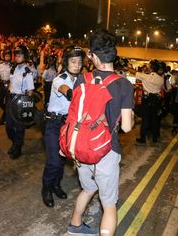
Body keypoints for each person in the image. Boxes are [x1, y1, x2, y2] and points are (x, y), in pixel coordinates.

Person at [66, 29, 134, 236]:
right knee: (109, 203)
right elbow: (127, 128)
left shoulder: (82, 80)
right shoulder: (124, 84)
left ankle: (75, 226)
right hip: (106, 149)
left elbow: (74, 114)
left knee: (88, 188)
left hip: (82, 146)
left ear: (94, 56)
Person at [41, 46, 84, 208]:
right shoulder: (61, 78)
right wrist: (75, 94)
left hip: (69, 125)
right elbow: (64, 89)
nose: (77, 65)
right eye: (73, 61)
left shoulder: (81, 80)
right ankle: (46, 187)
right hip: (54, 123)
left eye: (79, 62)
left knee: (62, 158)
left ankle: (56, 185)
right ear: (66, 62)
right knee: (53, 160)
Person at [5, 45, 34, 159]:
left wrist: (26, 102)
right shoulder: (13, 68)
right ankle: (15, 142)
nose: (17, 57)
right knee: (8, 125)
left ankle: (18, 146)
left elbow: (30, 91)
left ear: (25, 56)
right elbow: (11, 84)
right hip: (11, 98)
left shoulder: (28, 72)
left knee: (19, 126)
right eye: (16, 55)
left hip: (21, 100)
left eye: (20, 55)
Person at [128, 60, 163, 145]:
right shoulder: (161, 79)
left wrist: (127, 67)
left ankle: (143, 139)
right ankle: (155, 138)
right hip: (156, 100)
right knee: (154, 119)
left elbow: (133, 72)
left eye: (149, 66)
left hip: (147, 99)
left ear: (151, 68)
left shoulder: (146, 77)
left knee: (145, 120)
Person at [0, 48, 12, 125]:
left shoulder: (12, 65)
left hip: (9, 85)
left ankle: (4, 118)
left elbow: (13, 77)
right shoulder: (0, 65)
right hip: (1, 85)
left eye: (9, 56)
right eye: (6, 56)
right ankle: (7, 112)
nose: (7, 57)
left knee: (7, 103)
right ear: (3, 56)